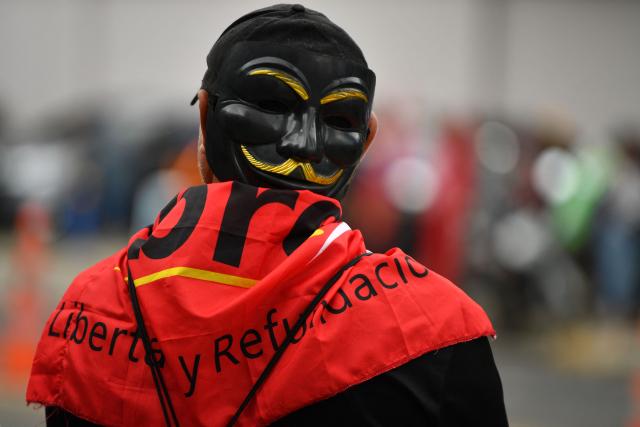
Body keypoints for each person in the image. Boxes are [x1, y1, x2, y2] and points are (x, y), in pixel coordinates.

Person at [28, 4, 508, 426]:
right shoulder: (436, 329)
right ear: (367, 141)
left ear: (203, 122)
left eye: (336, 117)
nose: (299, 143)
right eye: (273, 105)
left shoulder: (87, 314)